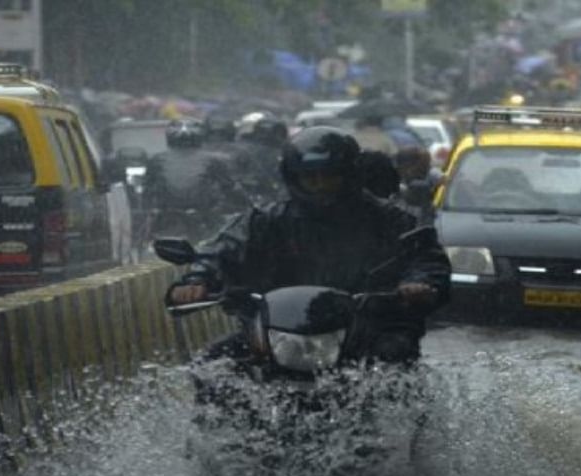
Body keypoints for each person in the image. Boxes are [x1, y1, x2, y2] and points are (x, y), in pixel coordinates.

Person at [167, 126, 451, 364]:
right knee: (213, 363)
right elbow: (223, 248)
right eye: (310, 178)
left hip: (367, 328)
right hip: (280, 331)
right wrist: (198, 278)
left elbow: (425, 258)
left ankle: (405, 429)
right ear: (294, 178)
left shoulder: (391, 220)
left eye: (328, 176)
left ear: (348, 175)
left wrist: (418, 284)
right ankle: (218, 431)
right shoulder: (267, 220)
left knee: (394, 359)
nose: (319, 185)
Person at [143, 117, 241, 242]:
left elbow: (147, 191)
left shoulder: (156, 159)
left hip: (172, 219)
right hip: (201, 217)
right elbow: (230, 188)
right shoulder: (214, 160)